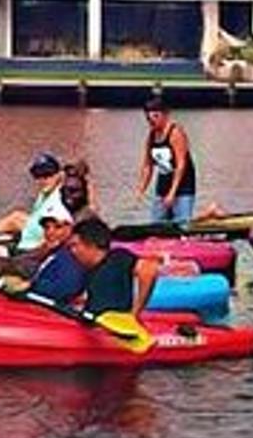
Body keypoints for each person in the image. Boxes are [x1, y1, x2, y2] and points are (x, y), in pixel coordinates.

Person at [56, 216, 160, 317]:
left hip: (113, 324)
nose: (72, 251)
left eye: (75, 245)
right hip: (92, 322)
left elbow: (149, 270)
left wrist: (135, 313)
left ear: (91, 244)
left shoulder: (117, 258)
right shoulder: (87, 269)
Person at [0, 153, 73, 251]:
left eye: (47, 175)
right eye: (38, 176)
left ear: (58, 175)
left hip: (30, 249)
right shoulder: (45, 193)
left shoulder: (60, 200)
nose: (42, 180)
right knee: (16, 216)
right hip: (30, 235)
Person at [136, 95, 197, 224]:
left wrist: (172, 192)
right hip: (163, 185)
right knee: (157, 224)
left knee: (182, 224)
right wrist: (141, 189)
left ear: (165, 115)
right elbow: (148, 165)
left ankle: (210, 213)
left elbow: (181, 165)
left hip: (183, 187)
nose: (151, 121)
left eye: (155, 116)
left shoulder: (176, 133)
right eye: (148, 118)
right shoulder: (151, 136)